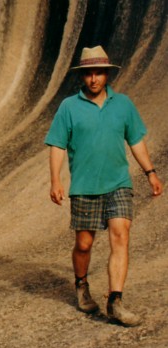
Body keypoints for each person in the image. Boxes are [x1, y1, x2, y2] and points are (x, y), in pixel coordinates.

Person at [45, 45, 163, 327]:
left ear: (107, 75)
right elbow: (57, 146)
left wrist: (150, 172)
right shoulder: (69, 107)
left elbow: (136, 140)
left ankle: (115, 300)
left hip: (118, 183)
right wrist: (55, 180)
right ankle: (81, 283)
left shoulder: (123, 104)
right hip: (84, 187)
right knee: (84, 244)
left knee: (121, 234)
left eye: (99, 73)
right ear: (82, 77)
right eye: (89, 74)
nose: (94, 79)